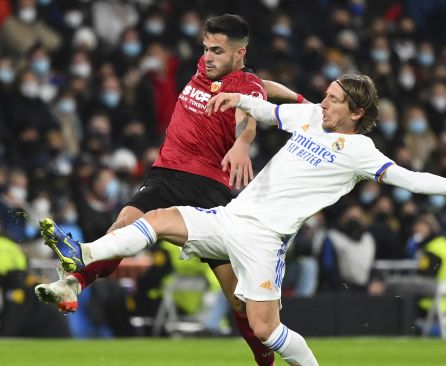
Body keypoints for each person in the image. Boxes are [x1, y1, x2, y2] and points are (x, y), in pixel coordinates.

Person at [36, 73, 446, 365]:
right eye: (327, 94)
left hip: (265, 241)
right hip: (231, 217)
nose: (325, 102)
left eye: (335, 100)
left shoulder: (359, 151)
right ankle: (86, 252)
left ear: (357, 113)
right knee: (157, 219)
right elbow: (264, 110)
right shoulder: (311, 116)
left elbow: (411, 180)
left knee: (265, 329)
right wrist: (235, 97)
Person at [36, 14, 302, 366]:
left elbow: (249, 114)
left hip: (209, 189)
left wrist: (243, 144)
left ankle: (265, 361)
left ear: (240, 54)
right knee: (121, 230)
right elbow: (266, 85)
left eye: (218, 51)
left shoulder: (243, 83)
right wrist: (298, 98)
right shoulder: (211, 69)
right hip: (165, 175)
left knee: (239, 300)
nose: (208, 57)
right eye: (206, 48)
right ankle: (73, 283)